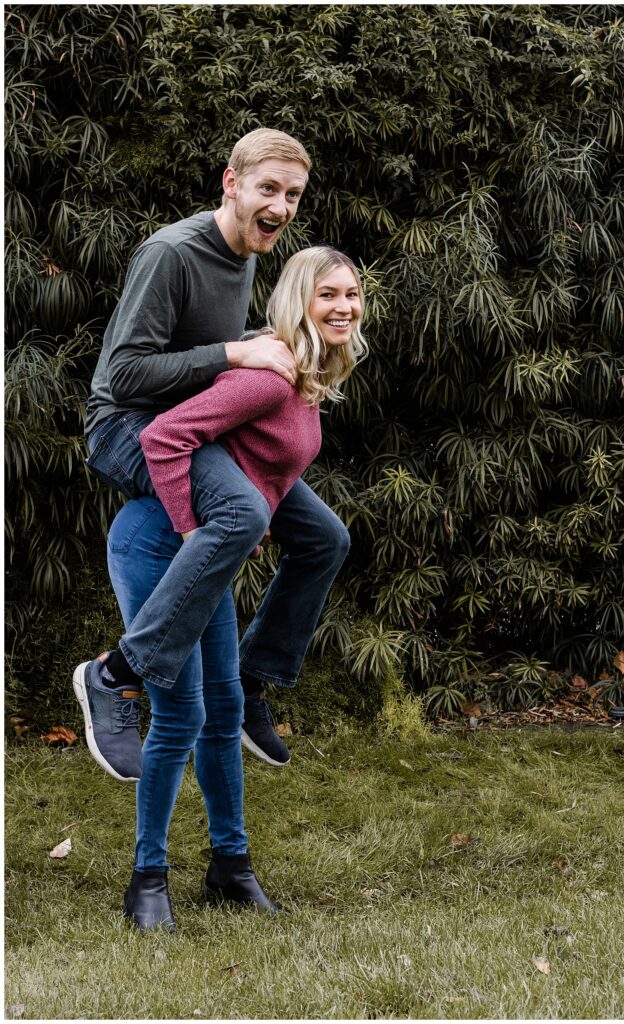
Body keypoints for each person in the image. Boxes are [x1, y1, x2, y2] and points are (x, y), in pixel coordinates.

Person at [73, 128, 350, 781]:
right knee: (242, 512)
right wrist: (236, 353)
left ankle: (255, 677)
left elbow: (206, 373)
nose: (281, 207)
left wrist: (265, 351)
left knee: (324, 538)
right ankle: (113, 676)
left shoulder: (247, 252)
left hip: (193, 427)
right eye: (268, 189)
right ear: (231, 182)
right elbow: (127, 376)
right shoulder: (170, 254)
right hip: (126, 427)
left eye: (292, 195)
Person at [106, 246, 366, 931]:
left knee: (222, 713)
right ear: (296, 301)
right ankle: (149, 877)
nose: (343, 306)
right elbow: (165, 437)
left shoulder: (303, 374)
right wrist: (195, 530)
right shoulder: (267, 377)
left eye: (352, 294)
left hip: (204, 557)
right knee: (183, 715)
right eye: (327, 295)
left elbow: (259, 474)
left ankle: (231, 866)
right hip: (158, 545)